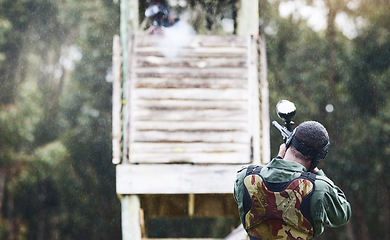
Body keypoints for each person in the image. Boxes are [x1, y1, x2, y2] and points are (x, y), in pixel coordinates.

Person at [234, 121, 351, 240]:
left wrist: (278, 159)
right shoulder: (320, 188)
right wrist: (317, 172)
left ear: (288, 143)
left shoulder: (245, 176)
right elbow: (342, 214)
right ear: (316, 159)